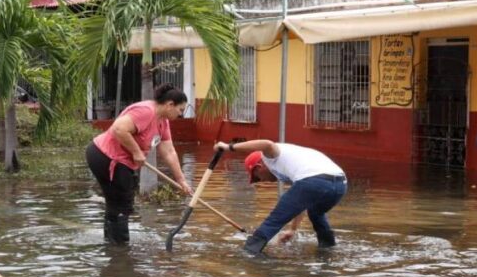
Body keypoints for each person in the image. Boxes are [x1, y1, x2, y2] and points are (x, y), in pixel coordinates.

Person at [86, 84, 192, 244]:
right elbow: (118, 129)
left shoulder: (163, 122)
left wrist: (181, 180)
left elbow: (169, 152)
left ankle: (113, 246)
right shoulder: (146, 111)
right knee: (122, 203)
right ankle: (120, 251)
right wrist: (136, 152)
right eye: (180, 110)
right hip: (105, 156)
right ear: (170, 104)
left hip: (119, 161)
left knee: (117, 202)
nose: (181, 114)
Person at [214, 139, 346, 255]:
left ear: (258, 167)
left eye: (257, 178)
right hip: (340, 185)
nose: (262, 181)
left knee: (273, 221)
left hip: (314, 181)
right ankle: (328, 249)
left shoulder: (269, 157)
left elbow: (267, 144)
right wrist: (293, 230)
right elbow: (301, 202)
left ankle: (248, 254)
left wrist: (228, 147)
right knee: (316, 213)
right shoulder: (295, 163)